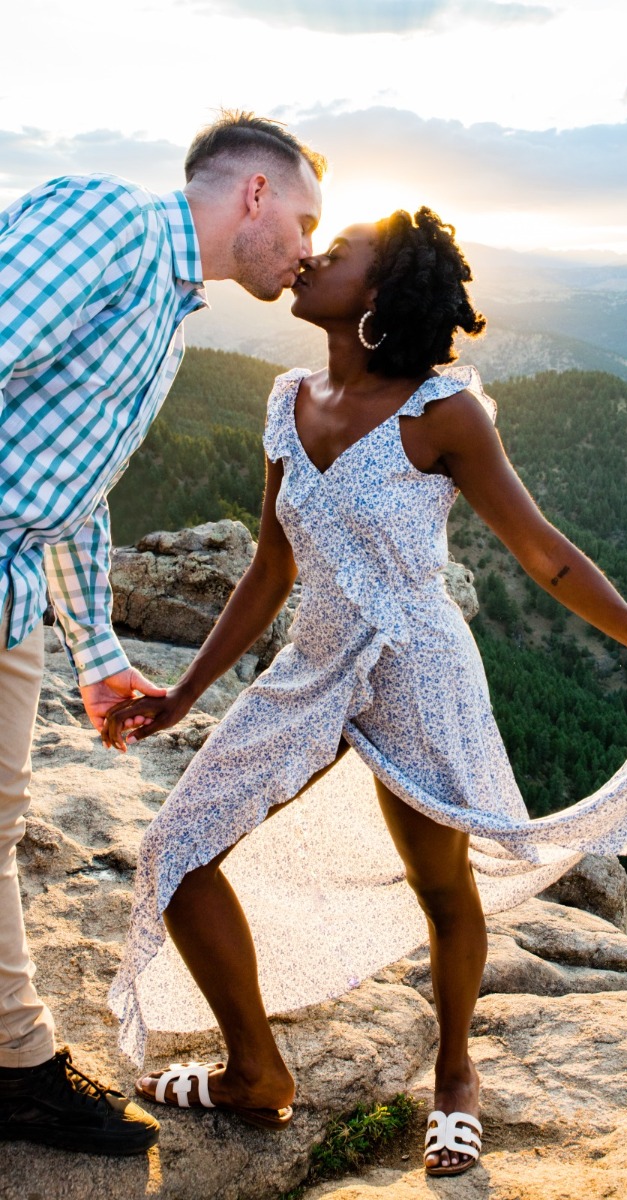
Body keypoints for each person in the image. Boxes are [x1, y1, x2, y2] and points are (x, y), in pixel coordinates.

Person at [104, 208, 627, 1177]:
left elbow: (542, 553)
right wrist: (185, 695)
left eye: (336, 254)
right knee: (176, 852)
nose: (309, 259)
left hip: (418, 664)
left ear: (381, 296)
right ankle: (256, 1070)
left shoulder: (445, 412)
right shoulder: (286, 399)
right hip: (311, 666)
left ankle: (456, 1077)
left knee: (440, 884)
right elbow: (268, 566)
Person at [0, 110, 325, 1156]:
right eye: (308, 219)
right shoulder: (110, 225)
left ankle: (13, 1066)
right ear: (257, 195)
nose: (311, 250)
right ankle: (16, 1069)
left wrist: (98, 659)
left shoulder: (166, 307)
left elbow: (70, 491)